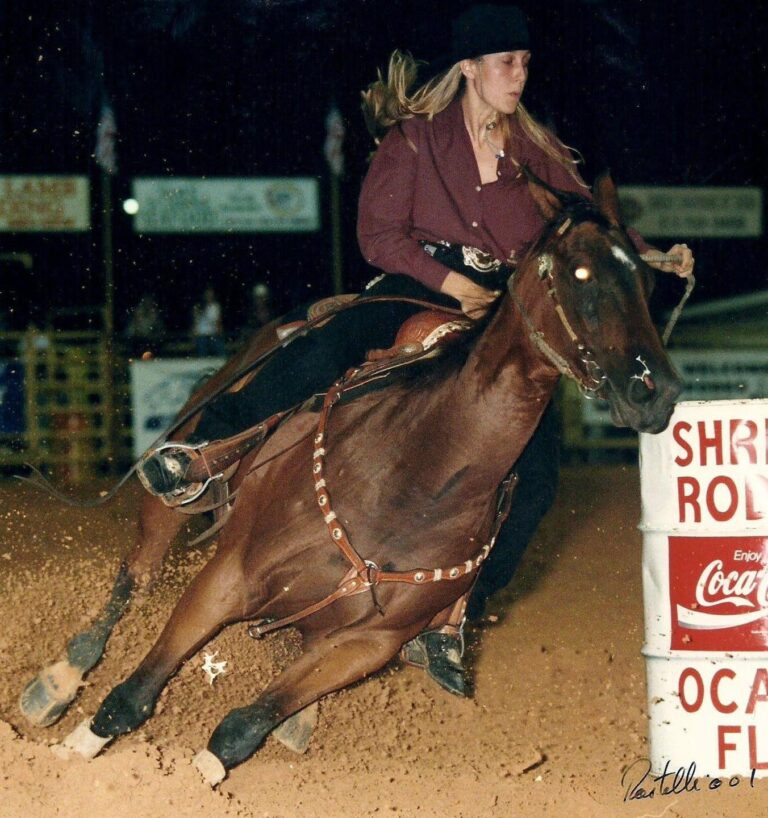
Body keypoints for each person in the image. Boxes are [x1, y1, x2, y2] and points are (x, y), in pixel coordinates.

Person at [138, 4, 694, 695]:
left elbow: (587, 227)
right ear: (470, 69)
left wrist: (653, 256)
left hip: (505, 317)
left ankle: (453, 611)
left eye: (523, 61)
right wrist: (449, 280)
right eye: (504, 62)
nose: (518, 74)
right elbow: (379, 237)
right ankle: (210, 450)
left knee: (539, 477)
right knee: (322, 348)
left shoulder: (538, 152)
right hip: (415, 284)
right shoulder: (416, 141)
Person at [192, 286, 225, 357]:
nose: (209, 296)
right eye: (207, 294)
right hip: (202, 334)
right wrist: (194, 334)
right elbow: (195, 321)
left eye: (210, 294)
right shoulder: (198, 306)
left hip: (213, 333)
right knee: (202, 356)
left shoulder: (216, 306)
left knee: (221, 354)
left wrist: (220, 330)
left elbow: (218, 320)